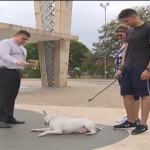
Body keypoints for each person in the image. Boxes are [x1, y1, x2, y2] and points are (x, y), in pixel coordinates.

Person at [113, 8, 150, 135]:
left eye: (127, 20)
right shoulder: (130, 32)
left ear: (134, 16)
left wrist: (148, 69)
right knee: (127, 94)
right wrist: (121, 68)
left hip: (141, 67)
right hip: (128, 67)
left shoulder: (147, 28)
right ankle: (131, 120)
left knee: (144, 95)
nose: (126, 23)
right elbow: (126, 51)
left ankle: (143, 124)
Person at [0, 30, 30, 128]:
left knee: (12, 96)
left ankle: (9, 117)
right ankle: (1, 119)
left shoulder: (22, 48)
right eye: (23, 39)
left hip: (16, 72)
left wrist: (25, 64)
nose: (25, 41)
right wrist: (16, 61)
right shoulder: (6, 43)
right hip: (6, 72)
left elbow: (21, 60)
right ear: (17, 36)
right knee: (3, 95)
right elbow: (3, 55)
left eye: (26, 40)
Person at [114, 24, 140, 124]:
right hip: (121, 74)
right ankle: (130, 116)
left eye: (121, 35)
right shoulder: (122, 44)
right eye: (117, 36)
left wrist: (121, 69)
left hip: (129, 72)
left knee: (133, 95)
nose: (119, 37)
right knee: (126, 95)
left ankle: (135, 118)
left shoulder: (132, 43)